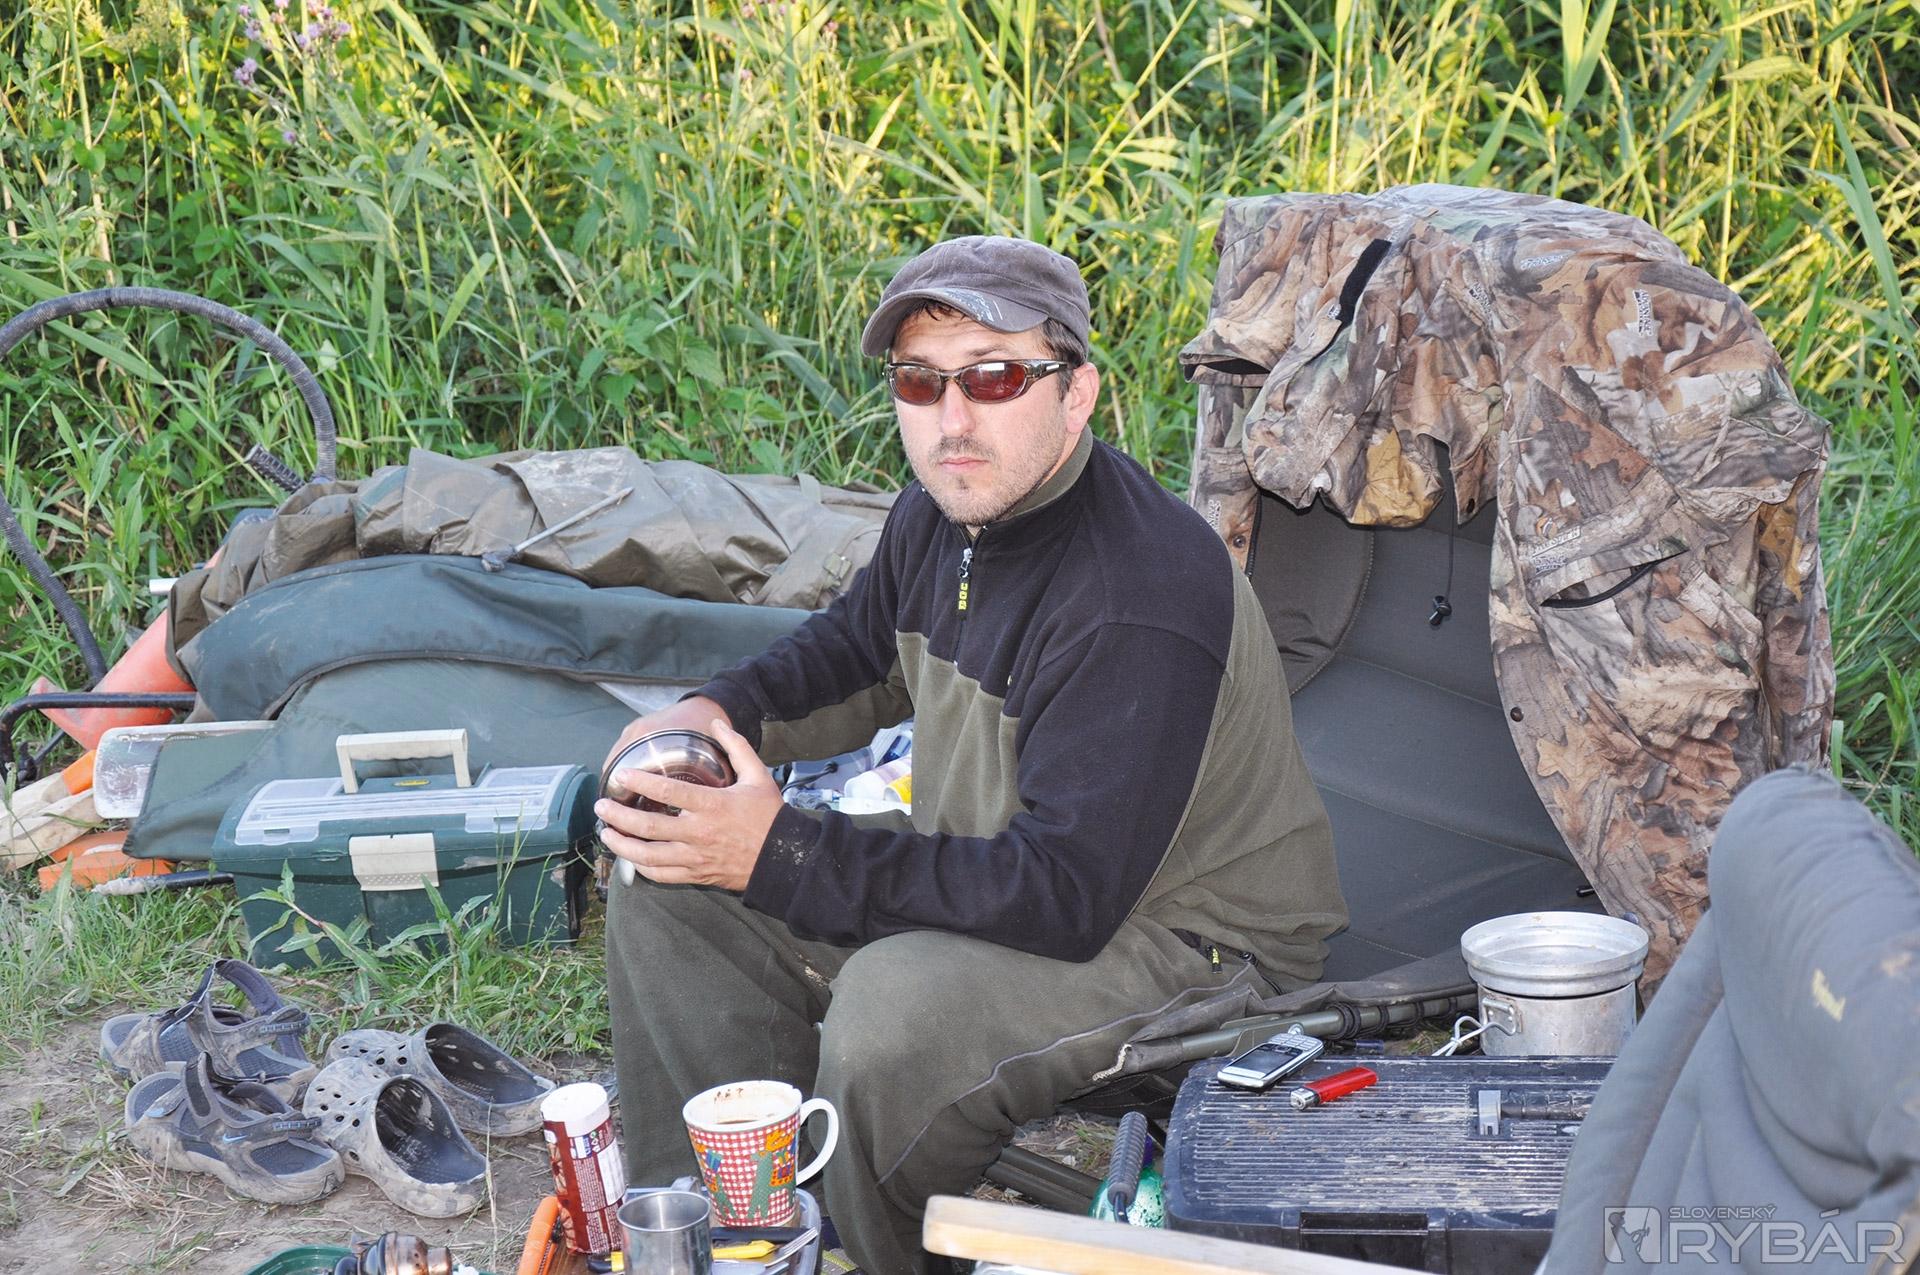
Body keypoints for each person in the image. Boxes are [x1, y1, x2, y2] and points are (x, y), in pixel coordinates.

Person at [598, 235, 1347, 1275]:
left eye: (994, 377)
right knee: (672, 878)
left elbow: (1065, 892)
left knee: (894, 1010)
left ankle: (883, 1253)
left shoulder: (1140, 591)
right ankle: (735, 1235)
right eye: (920, 381)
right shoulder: (949, 510)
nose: (952, 418)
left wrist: (782, 853)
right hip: (1004, 864)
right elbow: (859, 652)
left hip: (1190, 941)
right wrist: (715, 713)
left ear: (1076, 393)